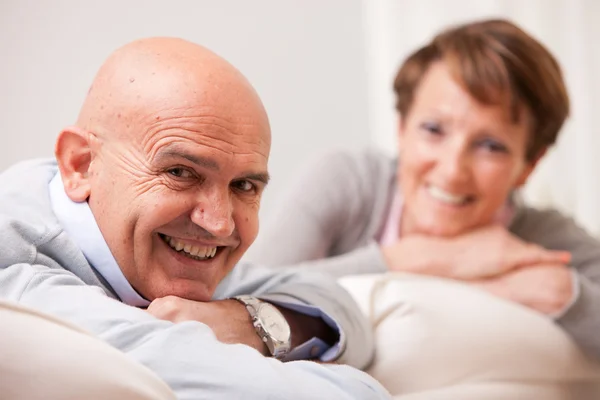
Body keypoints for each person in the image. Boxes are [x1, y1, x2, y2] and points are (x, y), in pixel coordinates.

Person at [0, 37, 390, 400]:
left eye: (244, 186)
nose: (219, 224)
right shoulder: (21, 281)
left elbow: (338, 307)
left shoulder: (132, 238)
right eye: (181, 173)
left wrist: (247, 323)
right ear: (80, 164)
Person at [247, 19, 600, 360]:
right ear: (401, 128)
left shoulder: (542, 239)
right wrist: (417, 259)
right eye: (433, 129)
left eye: (491, 146)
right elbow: (244, 294)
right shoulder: (349, 181)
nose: (452, 171)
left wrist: (564, 294)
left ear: (529, 165)